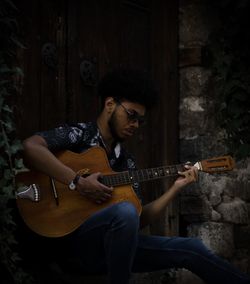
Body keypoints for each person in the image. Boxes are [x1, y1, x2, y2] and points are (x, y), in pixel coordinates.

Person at [21, 68, 250, 284]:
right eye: (131, 115)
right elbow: (31, 147)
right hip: (67, 241)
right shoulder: (78, 135)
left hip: (109, 247)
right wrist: (76, 182)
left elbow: (135, 221)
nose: (135, 124)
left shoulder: (127, 163)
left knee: (190, 248)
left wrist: (176, 188)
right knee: (125, 210)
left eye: (140, 120)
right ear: (110, 104)